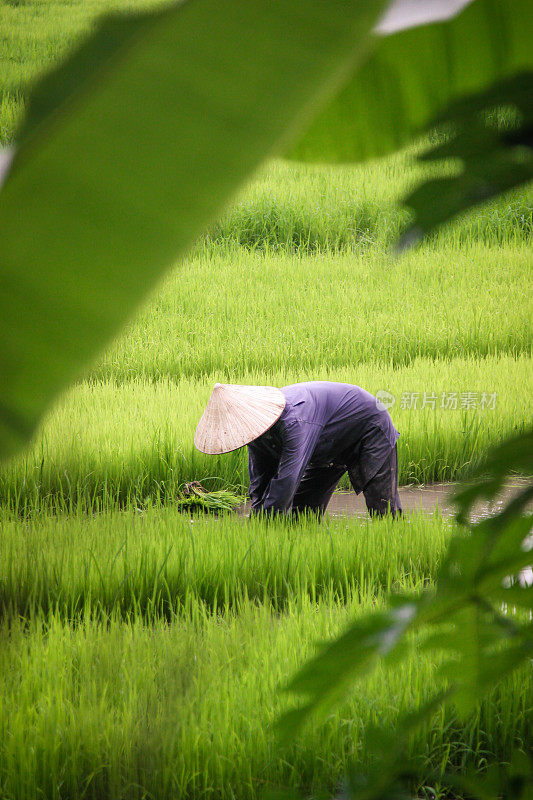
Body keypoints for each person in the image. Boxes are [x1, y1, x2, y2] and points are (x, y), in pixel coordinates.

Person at [194, 381, 401, 519]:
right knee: (301, 517)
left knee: (383, 509)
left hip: (368, 427)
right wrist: (257, 515)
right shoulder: (255, 431)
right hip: (326, 443)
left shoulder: (295, 421)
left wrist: (265, 526)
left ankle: (398, 555)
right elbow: (260, 479)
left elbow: (288, 480)